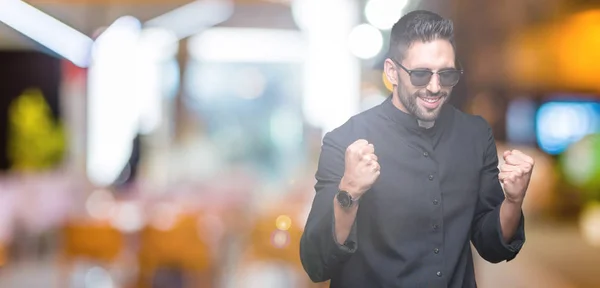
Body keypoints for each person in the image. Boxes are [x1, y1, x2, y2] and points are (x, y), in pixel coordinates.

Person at [299, 10, 534, 288]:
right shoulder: (345, 141)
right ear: (392, 72)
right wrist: (348, 192)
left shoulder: (474, 135)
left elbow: (492, 246)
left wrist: (513, 201)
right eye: (421, 74)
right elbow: (316, 263)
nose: (435, 87)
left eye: (446, 74)